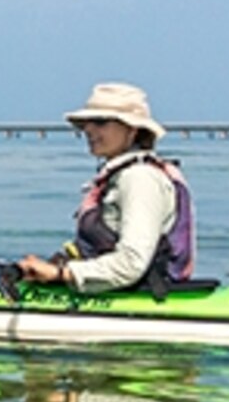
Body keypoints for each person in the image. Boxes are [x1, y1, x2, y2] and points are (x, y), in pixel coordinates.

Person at [13, 82, 195, 296]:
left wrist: (61, 274)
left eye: (100, 122)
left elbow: (132, 263)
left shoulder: (140, 178)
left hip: (142, 294)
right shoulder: (122, 175)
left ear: (132, 129)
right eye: (86, 124)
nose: (88, 130)